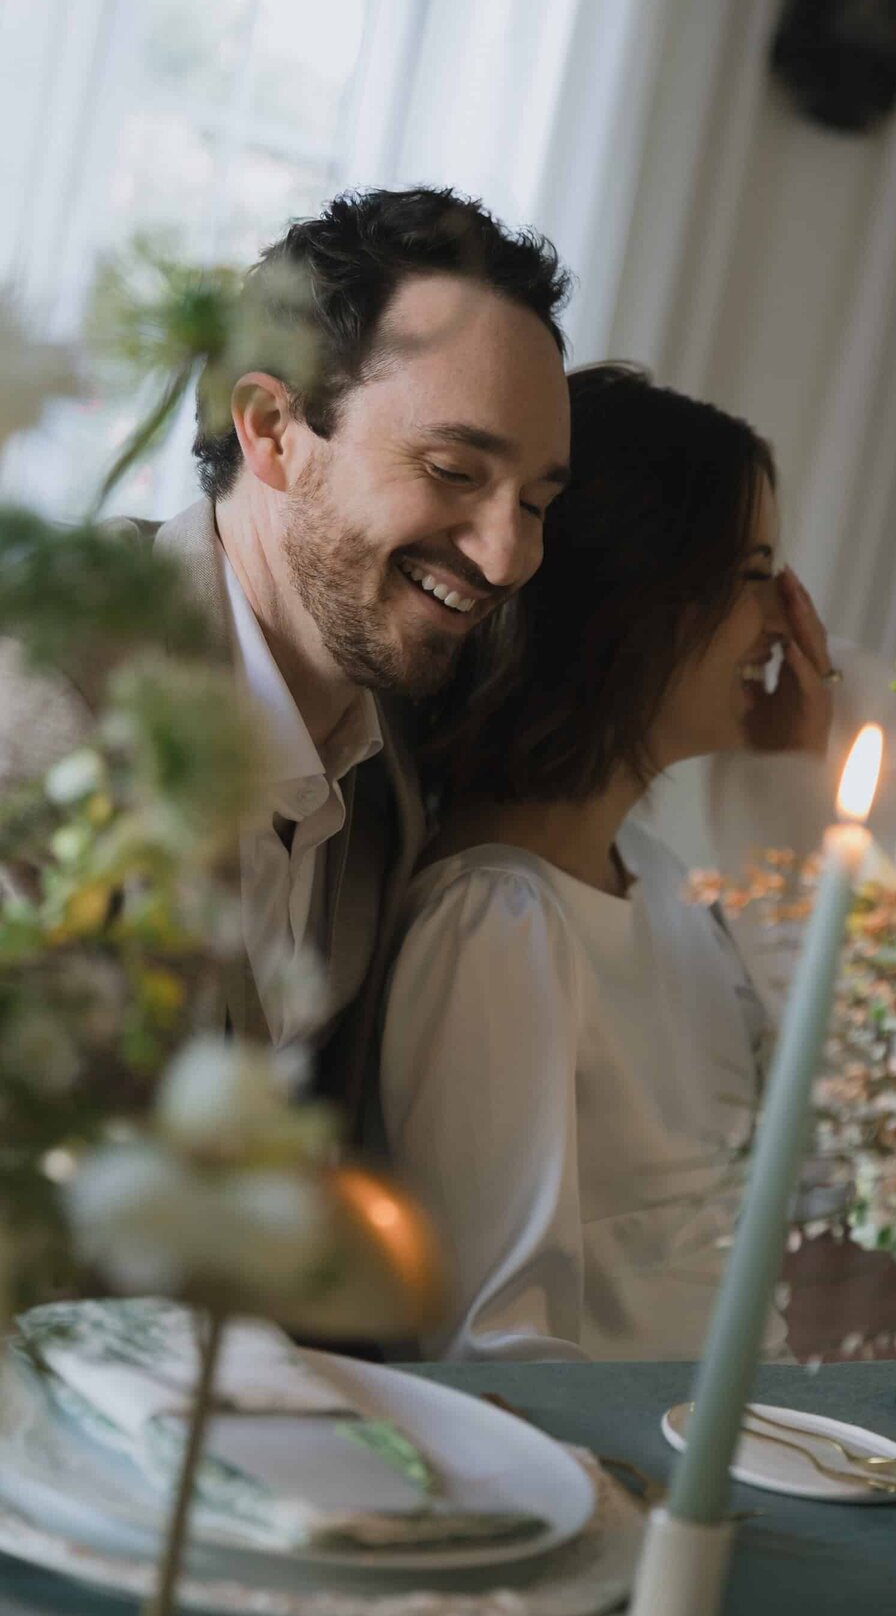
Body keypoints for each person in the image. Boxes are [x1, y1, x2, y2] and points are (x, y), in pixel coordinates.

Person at [3, 189, 572, 1135]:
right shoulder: (45, 701)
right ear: (270, 428)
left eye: (538, 503)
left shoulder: (388, 772)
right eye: (453, 472)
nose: (509, 556)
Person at [378, 364, 837, 1360]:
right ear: (646, 598)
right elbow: (494, 1344)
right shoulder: (496, 923)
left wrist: (789, 785)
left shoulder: (666, 885)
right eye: (755, 577)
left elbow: (824, 1147)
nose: (779, 626)